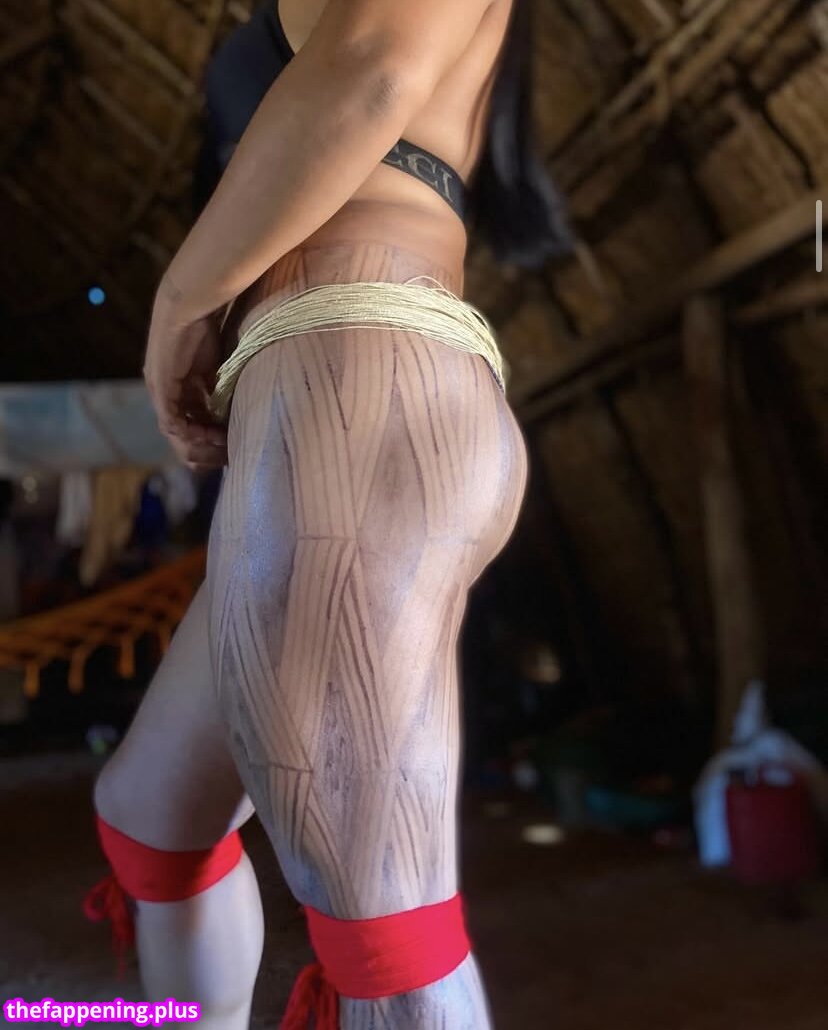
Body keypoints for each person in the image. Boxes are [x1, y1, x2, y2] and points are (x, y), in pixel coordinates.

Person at [87, 1, 570, 1027]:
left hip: (350, 382)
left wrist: (179, 305)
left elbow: (374, 67)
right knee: (151, 817)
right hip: (348, 388)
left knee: (388, 936)